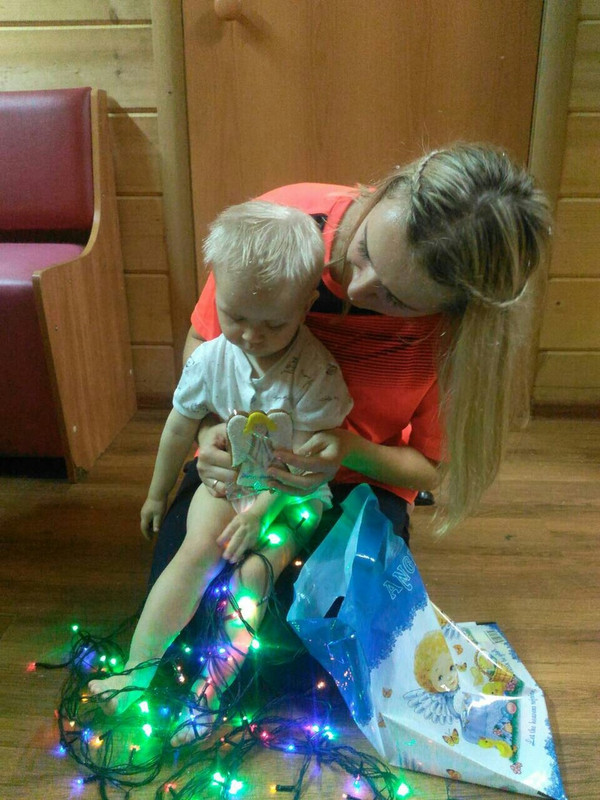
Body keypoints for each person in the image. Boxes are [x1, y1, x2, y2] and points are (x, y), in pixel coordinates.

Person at [148, 142, 551, 743]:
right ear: (382, 191)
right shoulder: (283, 228)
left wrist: (346, 450)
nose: (357, 289)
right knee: (190, 617)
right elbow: (203, 351)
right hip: (246, 469)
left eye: (396, 300)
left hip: (355, 486)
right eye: (364, 251)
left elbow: (432, 470)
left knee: (311, 674)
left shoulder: (459, 335)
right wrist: (212, 432)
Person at [88, 201, 353, 740]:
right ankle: (135, 676)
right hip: (228, 482)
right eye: (235, 318)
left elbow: (304, 467)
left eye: (272, 323)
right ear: (216, 293)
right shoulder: (211, 358)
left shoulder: (315, 373)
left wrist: (260, 516)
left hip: (290, 496)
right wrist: (158, 493)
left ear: (306, 303)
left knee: (253, 578)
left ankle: (208, 696)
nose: (251, 336)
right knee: (195, 555)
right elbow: (177, 428)